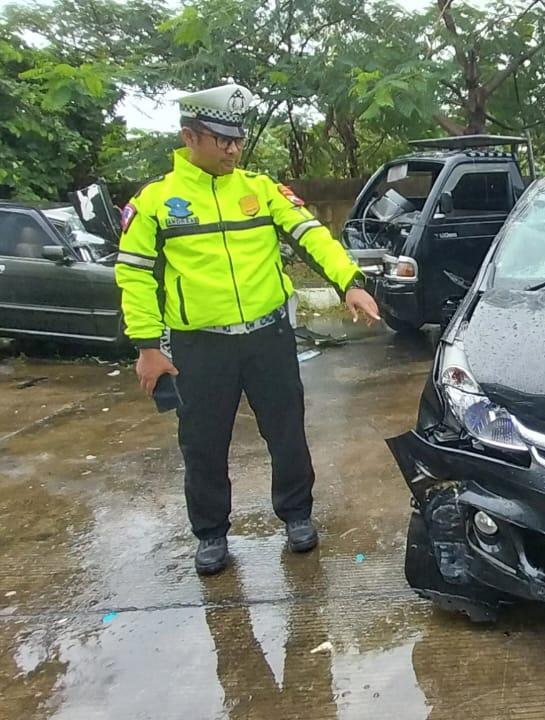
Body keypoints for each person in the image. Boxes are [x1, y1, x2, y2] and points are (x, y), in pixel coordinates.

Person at [114, 83, 381, 575]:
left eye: (237, 139)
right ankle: (211, 534)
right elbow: (133, 275)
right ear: (190, 137)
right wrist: (148, 346)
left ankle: (297, 516)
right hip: (200, 346)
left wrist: (350, 281)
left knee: (286, 432)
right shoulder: (156, 202)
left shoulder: (260, 190)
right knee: (203, 443)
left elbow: (312, 236)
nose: (233, 149)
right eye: (222, 140)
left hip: (268, 339)